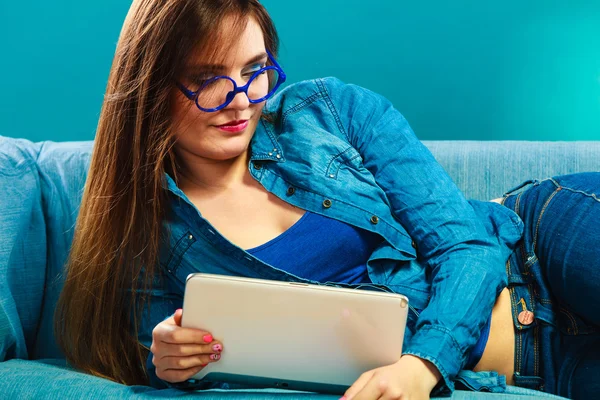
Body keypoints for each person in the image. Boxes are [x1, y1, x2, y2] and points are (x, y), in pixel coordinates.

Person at [53, 0, 600, 399]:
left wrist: (421, 364)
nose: (241, 100)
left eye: (254, 70)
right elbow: (162, 355)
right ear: (149, 85)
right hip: (540, 366)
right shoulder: (146, 236)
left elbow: (466, 245)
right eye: (207, 80)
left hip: (540, 253)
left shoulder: (330, 112)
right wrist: (169, 360)